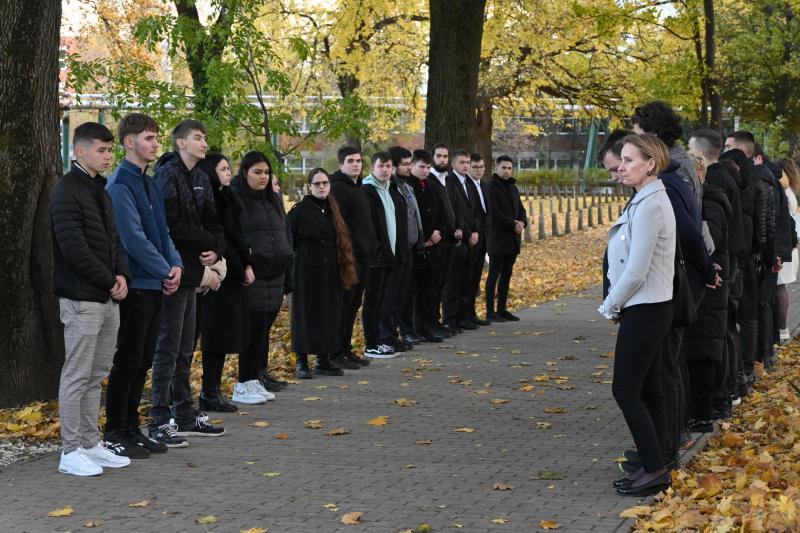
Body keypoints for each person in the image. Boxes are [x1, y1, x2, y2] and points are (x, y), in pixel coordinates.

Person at [51, 122, 132, 475]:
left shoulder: (100, 189)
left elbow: (114, 240)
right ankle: (70, 452)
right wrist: (108, 280)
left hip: (106, 297)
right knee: (77, 374)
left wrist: (122, 277)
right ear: (79, 150)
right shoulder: (66, 190)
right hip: (82, 298)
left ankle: (89, 443)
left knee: (97, 372)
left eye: (109, 150)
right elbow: (73, 248)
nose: (107, 156)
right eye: (101, 150)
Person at [599, 133, 676, 497]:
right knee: (649, 388)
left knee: (626, 389)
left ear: (651, 163)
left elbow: (636, 269)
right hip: (647, 305)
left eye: (630, 160)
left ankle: (656, 467)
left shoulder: (651, 204)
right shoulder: (645, 199)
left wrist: (609, 304)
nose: (623, 166)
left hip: (646, 306)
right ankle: (655, 461)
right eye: (623, 160)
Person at [104, 113, 183, 458]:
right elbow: (132, 239)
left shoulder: (150, 183)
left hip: (156, 283)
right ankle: (114, 431)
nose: (155, 144)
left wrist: (176, 264)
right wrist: (165, 270)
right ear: (128, 142)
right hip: (136, 284)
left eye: (155, 137)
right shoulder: (120, 183)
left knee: (144, 359)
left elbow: (163, 232)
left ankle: (132, 428)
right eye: (148, 138)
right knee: (129, 359)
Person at [151, 119, 225, 441]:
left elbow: (214, 222)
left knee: (184, 348)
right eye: (197, 138)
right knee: (168, 348)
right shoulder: (166, 174)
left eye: (205, 138)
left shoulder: (201, 177)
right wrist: (207, 243)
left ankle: (184, 414)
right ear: (180, 143)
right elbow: (172, 226)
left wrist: (217, 250)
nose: (204, 144)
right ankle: (159, 418)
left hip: (196, 270)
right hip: (175, 272)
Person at [688, 129, 746, 408]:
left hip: (722, 263)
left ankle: (725, 391)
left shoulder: (715, 181)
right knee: (724, 329)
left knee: (720, 331)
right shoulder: (726, 177)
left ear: (699, 154)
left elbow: (712, 232)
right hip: (730, 258)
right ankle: (730, 388)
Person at [231, 151, 293, 401]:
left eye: (266, 172)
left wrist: (287, 257)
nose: (263, 177)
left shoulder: (273, 199)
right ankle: (243, 383)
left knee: (263, 331)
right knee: (251, 331)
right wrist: (246, 262)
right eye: (257, 172)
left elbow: (283, 231)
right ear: (245, 172)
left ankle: (255, 379)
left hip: (275, 274)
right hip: (253, 275)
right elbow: (237, 236)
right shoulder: (237, 200)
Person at [289, 168, 359, 378]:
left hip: (331, 269)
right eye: (317, 184)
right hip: (306, 270)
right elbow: (289, 239)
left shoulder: (332, 208)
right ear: (310, 187)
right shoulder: (300, 211)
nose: (322, 187)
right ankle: (301, 361)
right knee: (304, 314)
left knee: (329, 313)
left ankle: (323, 358)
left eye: (325, 183)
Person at [197, 153, 251, 412]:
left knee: (224, 336)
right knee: (214, 337)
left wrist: (246, 265)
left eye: (229, 168)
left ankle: (214, 389)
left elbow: (239, 237)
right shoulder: (210, 200)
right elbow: (223, 240)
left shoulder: (230, 197)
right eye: (223, 168)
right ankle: (208, 392)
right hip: (218, 274)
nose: (229, 173)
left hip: (231, 274)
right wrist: (240, 270)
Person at [684, 167, 731, 433]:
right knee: (703, 349)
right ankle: (701, 410)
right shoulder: (708, 200)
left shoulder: (710, 202)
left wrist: (703, 264)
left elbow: (708, 241)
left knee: (704, 352)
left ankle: (703, 413)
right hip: (708, 283)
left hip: (711, 286)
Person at [330, 146, 376, 369]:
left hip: (364, 257)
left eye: (358, 160)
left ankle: (346, 348)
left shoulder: (359, 188)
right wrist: (360, 247)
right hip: (349, 258)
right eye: (350, 161)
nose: (356, 164)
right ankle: (335, 351)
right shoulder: (338, 188)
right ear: (341, 164)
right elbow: (344, 225)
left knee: (354, 304)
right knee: (344, 306)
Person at [361, 151, 407, 358]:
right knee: (372, 300)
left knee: (384, 300)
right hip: (375, 258)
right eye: (381, 166)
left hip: (392, 255)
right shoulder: (367, 190)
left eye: (389, 166)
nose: (386, 170)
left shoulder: (390, 189)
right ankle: (371, 343)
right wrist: (377, 250)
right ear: (372, 168)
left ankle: (382, 339)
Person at [380, 146, 424, 349]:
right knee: (392, 295)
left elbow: (415, 217)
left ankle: (399, 332)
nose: (409, 167)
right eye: (405, 164)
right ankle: (388, 335)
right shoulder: (391, 188)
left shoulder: (407, 187)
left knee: (403, 295)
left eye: (409, 163)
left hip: (410, 249)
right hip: (395, 250)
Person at [407, 150, 450, 342]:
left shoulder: (432, 186)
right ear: (412, 166)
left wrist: (438, 232)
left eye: (427, 167)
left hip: (435, 245)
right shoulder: (408, 187)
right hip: (419, 246)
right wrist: (427, 234)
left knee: (432, 288)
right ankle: (420, 327)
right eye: (421, 167)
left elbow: (443, 213)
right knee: (418, 290)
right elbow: (412, 217)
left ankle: (431, 323)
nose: (425, 170)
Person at [631, 101, 702, 208]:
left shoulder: (674, 167)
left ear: (653, 135)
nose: (635, 142)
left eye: (638, 137)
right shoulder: (675, 158)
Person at [485, 155, 528, 322]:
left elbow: (521, 209)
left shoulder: (513, 187)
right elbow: (494, 212)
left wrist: (523, 222)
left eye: (509, 168)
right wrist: (513, 224)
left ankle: (502, 309)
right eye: (504, 168)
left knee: (506, 275)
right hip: (497, 238)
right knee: (494, 275)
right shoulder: (490, 187)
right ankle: (490, 311)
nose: (507, 171)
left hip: (512, 240)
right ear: (497, 168)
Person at [443, 149, 479, 332]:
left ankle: (463, 317)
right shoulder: (450, 183)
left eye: (467, 162)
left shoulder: (469, 183)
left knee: (466, 280)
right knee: (453, 282)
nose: (465, 166)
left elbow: (473, 211)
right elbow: (454, 212)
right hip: (458, 239)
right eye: (461, 162)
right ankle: (450, 319)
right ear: (453, 164)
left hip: (470, 239)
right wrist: (465, 233)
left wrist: (475, 231)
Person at [428, 143, 459, 338]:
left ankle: (437, 321)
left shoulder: (449, 180)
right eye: (439, 156)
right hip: (436, 240)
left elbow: (455, 208)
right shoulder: (430, 180)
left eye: (445, 156)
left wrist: (459, 228)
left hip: (450, 239)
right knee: (433, 285)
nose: (442, 160)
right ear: (433, 157)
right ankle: (431, 322)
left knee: (441, 283)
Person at [464, 153, 491, 326]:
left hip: (484, 240)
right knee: (466, 278)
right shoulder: (466, 186)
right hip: (471, 239)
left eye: (481, 166)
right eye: (475, 167)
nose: (479, 170)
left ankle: (471, 314)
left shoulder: (484, 186)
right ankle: (464, 315)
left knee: (475, 279)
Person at [776, 158, 800, 342]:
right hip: (792, 244)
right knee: (781, 286)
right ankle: (782, 327)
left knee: (779, 286)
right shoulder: (791, 191)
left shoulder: (784, 192)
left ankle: (782, 328)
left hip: (786, 244)